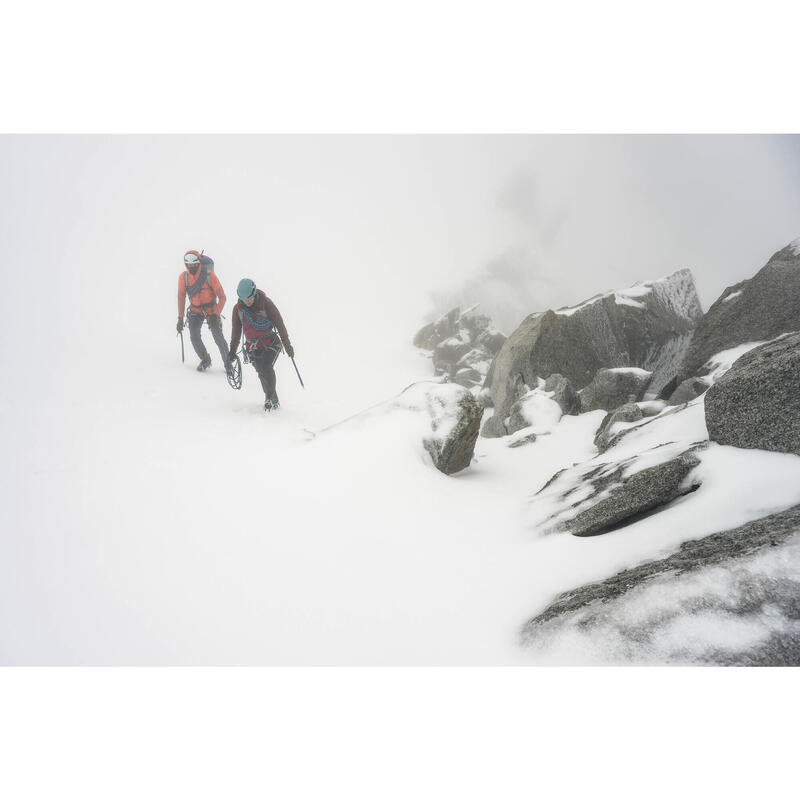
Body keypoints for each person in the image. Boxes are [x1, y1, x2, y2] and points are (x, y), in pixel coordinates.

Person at [228, 278, 295, 411]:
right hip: (252, 348)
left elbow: (279, 324)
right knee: (261, 372)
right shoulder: (238, 310)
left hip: (271, 343)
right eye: (244, 300)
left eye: (250, 298)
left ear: (254, 293)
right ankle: (271, 395)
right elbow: (236, 332)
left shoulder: (266, 304)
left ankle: (269, 397)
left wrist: (287, 345)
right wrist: (232, 351)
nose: (247, 302)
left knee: (266, 367)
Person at [176, 250, 229, 372]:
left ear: (199, 263)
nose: (191, 267)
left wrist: (216, 314)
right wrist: (180, 318)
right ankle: (205, 359)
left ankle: (228, 363)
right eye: (188, 265)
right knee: (194, 337)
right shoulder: (184, 278)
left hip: (212, 310)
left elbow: (222, 297)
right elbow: (181, 297)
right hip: (195, 310)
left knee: (218, 337)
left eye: (194, 264)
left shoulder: (210, 276)